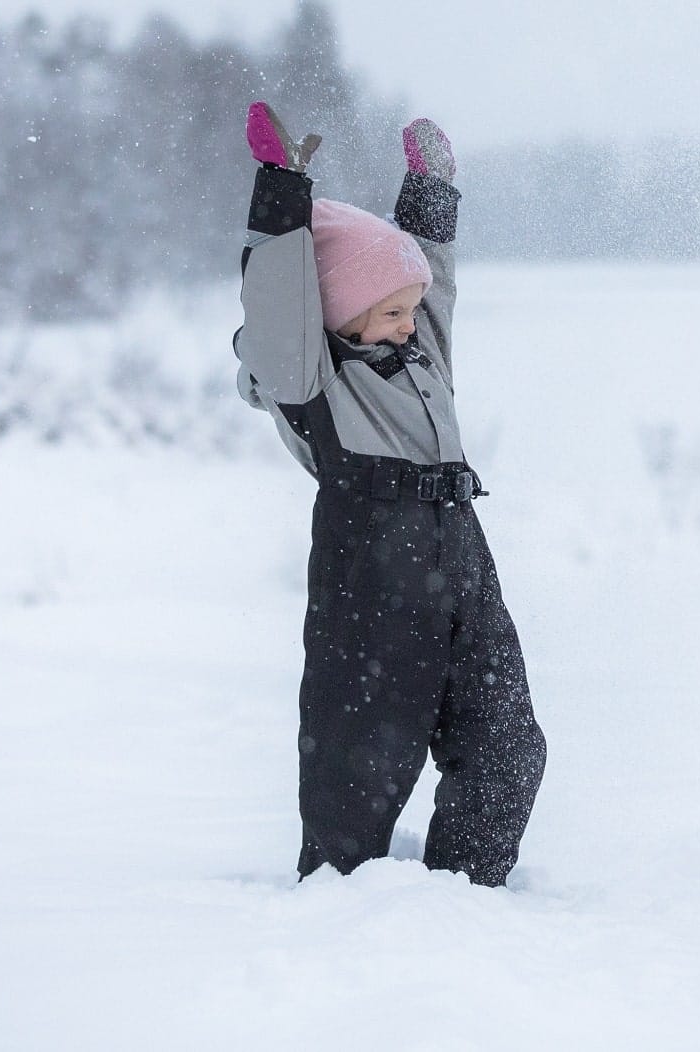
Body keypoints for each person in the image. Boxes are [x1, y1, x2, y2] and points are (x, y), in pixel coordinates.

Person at [233, 101, 545, 887]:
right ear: (342, 312)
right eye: (391, 312)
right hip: (371, 565)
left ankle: (469, 895)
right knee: (359, 765)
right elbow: (277, 309)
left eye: (409, 312)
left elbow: (430, 282)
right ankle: (340, 904)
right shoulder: (311, 382)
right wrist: (281, 193)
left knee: (506, 742)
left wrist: (430, 190)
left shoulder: (419, 351)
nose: (411, 325)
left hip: (461, 557)